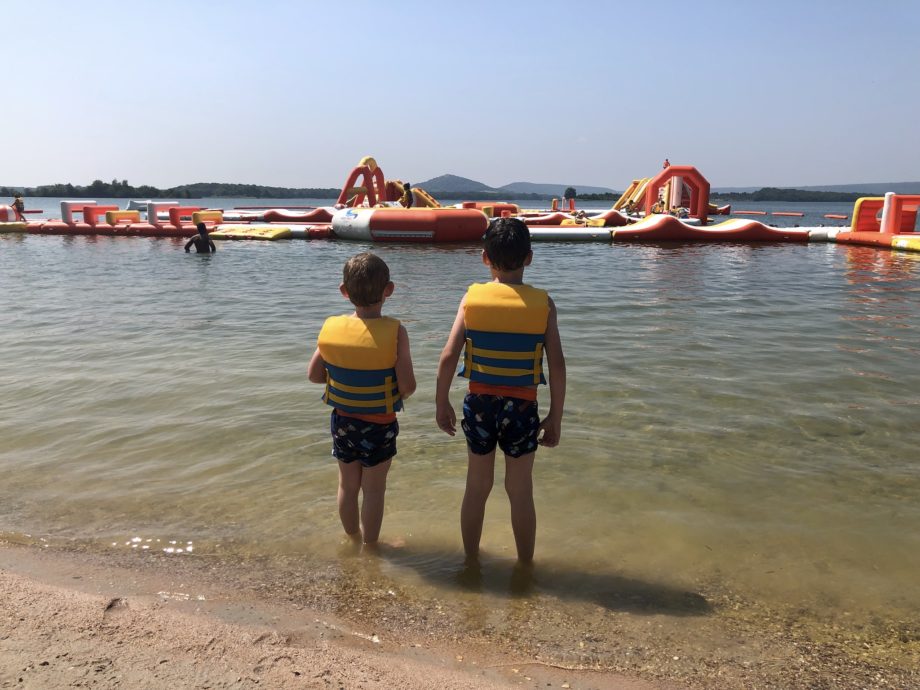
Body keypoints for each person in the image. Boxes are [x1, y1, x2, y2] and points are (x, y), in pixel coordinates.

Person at [435, 217, 566, 564]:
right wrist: (555, 415)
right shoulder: (544, 304)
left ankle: (471, 561)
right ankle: (525, 565)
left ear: (484, 258)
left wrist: (441, 402)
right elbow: (557, 364)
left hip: (478, 404)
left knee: (477, 487)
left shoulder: (471, 300)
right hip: (522, 406)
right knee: (520, 490)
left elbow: (449, 355)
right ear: (529, 258)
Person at [308, 253, 416, 548]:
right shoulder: (396, 332)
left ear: (344, 291)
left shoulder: (331, 328)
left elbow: (315, 375)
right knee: (374, 491)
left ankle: (351, 538)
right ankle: (371, 546)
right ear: (389, 290)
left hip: (343, 423)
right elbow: (407, 385)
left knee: (347, 484)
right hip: (380, 425)